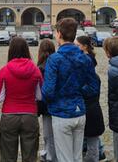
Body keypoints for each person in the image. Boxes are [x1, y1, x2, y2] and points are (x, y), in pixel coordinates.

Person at [42, 18, 99, 162]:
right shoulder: (85, 58)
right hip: (79, 111)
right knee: (77, 157)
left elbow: (48, 91)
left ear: (59, 34)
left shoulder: (55, 59)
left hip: (61, 113)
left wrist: (62, 94)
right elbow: (94, 87)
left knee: (65, 158)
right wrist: (78, 91)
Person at [0, 37, 43, 162]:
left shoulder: (4, 70)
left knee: (7, 155)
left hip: (9, 114)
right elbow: (39, 96)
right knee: (30, 155)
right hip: (30, 114)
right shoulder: (35, 70)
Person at [75, 36, 105, 162]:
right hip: (91, 106)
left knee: (89, 139)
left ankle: (99, 152)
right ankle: (100, 151)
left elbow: (90, 89)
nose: (75, 47)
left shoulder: (85, 60)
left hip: (89, 107)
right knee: (90, 138)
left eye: (77, 45)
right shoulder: (85, 58)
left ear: (84, 46)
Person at [37, 39, 57, 162]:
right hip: (58, 104)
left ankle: (50, 156)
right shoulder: (56, 63)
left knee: (48, 135)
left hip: (46, 106)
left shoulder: (40, 67)